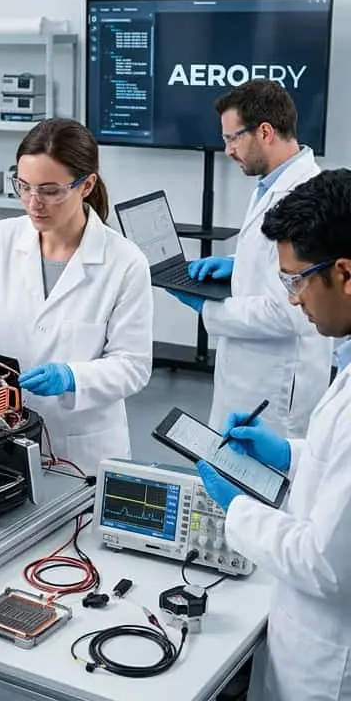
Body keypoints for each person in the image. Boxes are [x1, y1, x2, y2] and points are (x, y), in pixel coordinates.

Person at [0, 118, 153, 475]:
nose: (33, 202)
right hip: (0, 432)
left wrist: (72, 377)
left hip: (82, 451)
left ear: (86, 186)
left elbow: (133, 365)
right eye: (23, 186)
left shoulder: (125, 263)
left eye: (50, 190)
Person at [195, 168, 351, 701]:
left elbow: (325, 565)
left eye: (297, 279)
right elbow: (341, 471)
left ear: (345, 274)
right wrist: (290, 454)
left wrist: (237, 507)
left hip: (329, 663)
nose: (292, 299)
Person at [169, 79, 330, 438]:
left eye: (232, 138)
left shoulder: (300, 197)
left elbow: (289, 312)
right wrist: (237, 263)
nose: (226, 150)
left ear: (265, 132)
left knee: (263, 486)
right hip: (250, 369)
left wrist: (206, 308)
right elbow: (273, 261)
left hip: (275, 385)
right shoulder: (272, 184)